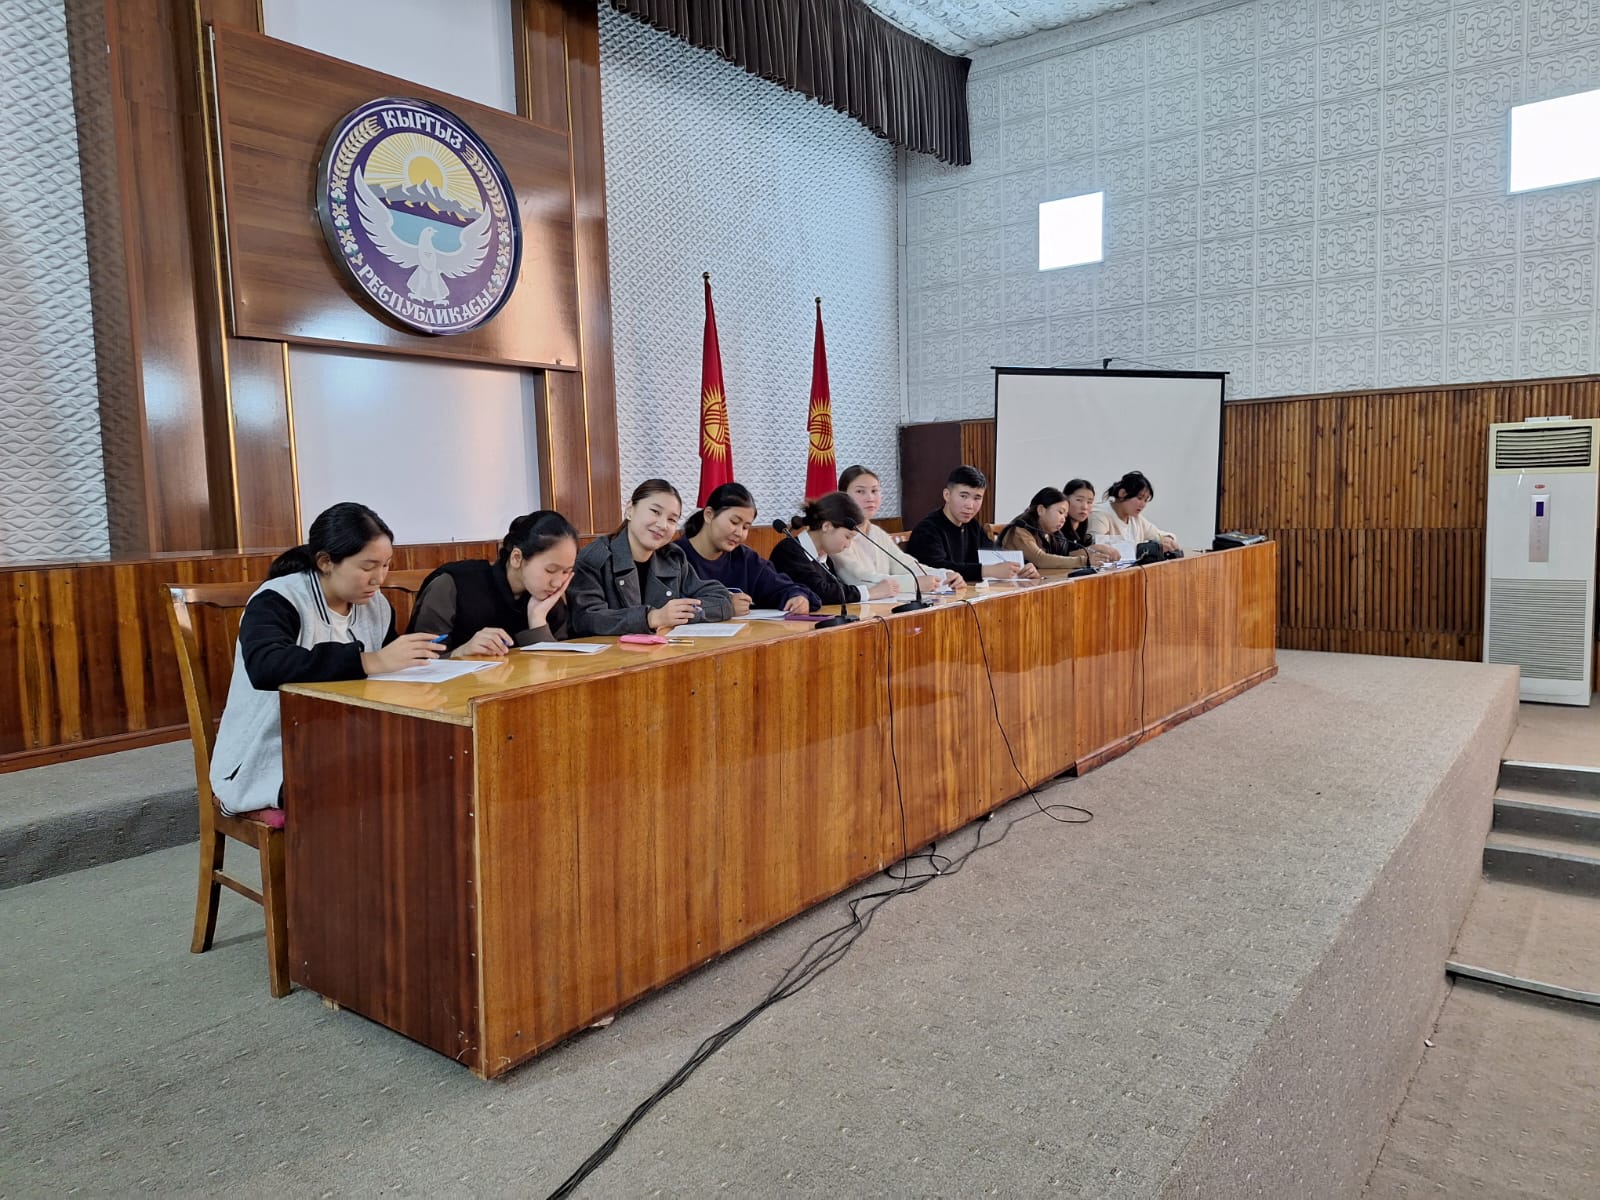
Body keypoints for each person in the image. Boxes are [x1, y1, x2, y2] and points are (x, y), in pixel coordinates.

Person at [209, 502, 443, 822]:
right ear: (326, 562)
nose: (379, 578)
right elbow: (266, 666)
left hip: (347, 738)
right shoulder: (278, 598)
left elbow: (388, 670)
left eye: (386, 565)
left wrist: (429, 658)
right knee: (371, 782)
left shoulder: (376, 606)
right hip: (271, 750)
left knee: (427, 762)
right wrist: (370, 661)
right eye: (368, 567)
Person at [568, 479, 734, 635]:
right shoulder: (594, 558)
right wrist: (651, 618)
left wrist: (681, 614)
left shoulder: (672, 558)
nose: (662, 525)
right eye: (655, 512)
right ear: (630, 509)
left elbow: (721, 599)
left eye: (672, 519)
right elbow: (586, 619)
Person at [408, 510, 578, 654]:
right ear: (517, 558)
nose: (558, 583)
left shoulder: (547, 600)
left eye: (566, 571)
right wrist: (462, 652)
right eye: (550, 570)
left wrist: (538, 619)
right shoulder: (453, 584)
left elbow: (558, 670)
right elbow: (421, 661)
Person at [678, 481, 818, 615]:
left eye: (746, 527)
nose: (739, 533)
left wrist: (797, 597)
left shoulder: (745, 558)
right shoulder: (674, 557)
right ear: (709, 515)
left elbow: (783, 587)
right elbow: (670, 607)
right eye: (734, 522)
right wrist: (724, 606)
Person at [832, 465, 964, 595]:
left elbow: (905, 564)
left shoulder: (876, 533)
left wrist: (945, 575)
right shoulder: (837, 535)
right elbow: (859, 579)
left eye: (874, 491)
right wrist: (913, 583)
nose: (870, 498)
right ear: (843, 496)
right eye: (860, 491)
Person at [905, 465, 1039, 583]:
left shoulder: (972, 526)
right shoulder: (927, 529)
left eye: (977, 498)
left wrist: (1023, 566)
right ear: (947, 495)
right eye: (963, 496)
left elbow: (994, 553)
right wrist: (986, 571)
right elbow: (936, 568)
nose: (970, 505)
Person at [768, 491, 899, 607]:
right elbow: (819, 592)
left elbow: (835, 589)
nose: (848, 544)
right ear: (827, 526)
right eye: (848, 537)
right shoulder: (789, 551)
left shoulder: (825, 559)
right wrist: (871, 593)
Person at [999, 486, 1109, 570]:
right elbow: (1040, 559)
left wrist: (1093, 553)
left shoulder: (1052, 534)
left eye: (1065, 516)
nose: (1063, 519)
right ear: (1041, 510)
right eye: (1060, 512)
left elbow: (1062, 556)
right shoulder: (1020, 529)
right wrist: (1084, 561)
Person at [1087, 470, 1180, 554]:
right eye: (1139, 498)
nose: (1143, 504)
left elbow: (1158, 534)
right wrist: (1148, 548)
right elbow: (1098, 548)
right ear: (1122, 493)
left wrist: (1167, 539)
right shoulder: (1099, 514)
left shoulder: (1135, 518)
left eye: (1146, 500)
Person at [1059, 479, 1120, 567]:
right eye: (1079, 500)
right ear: (1065, 500)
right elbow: (1059, 557)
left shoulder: (1083, 527)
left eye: (1089, 502)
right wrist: (1095, 548)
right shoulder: (1057, 527)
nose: (1085, 507)